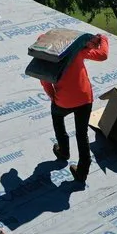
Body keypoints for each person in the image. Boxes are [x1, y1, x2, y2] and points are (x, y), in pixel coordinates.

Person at [40, 33, 109, 183]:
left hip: (62, 102)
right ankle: (82, 172)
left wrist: (54, 98)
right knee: (81, 134)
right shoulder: (75, 51)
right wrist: (103, 38)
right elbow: (103, 55)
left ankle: (63, 151)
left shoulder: (45, 59)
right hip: (84, 99)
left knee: (58, 120)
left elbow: (45, 84)